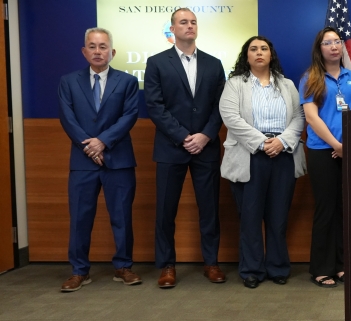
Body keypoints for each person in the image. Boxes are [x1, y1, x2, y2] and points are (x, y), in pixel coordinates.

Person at [145, 8, 227, 288]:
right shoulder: (157, 62)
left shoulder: (214, 64)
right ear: (172, 29)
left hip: (206, 147)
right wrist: (183, 136)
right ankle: (167, 266)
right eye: (183, 22)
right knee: (165, 211)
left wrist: (205, 135)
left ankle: (211, 263)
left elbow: (221, 106)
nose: (189, 26)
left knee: (210, 209)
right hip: (171, 148)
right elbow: (155, 106)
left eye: (193, 22)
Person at [58, 27, 140, 292]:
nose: (97, 51)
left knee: (122, 216)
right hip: (83, 161)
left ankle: (124, 267)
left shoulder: (127, 82)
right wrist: (90, 146)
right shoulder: (68, 82)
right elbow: (67, 118)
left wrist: (102, 141)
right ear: (84, 51)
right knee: (80, 218)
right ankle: (79, 271)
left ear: (112, 52)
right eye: (92, 46)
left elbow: (129, 115)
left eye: (103, 46)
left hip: (119, 160)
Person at [219, 36, 306, 289]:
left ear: (271, 55)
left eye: (264, 49)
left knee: (278, 218)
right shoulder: (235, 84)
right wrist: (262, 142)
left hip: (283, 155)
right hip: (249, 156)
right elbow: (231, 117)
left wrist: (281, 141)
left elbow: (299, 117)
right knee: (250, 218)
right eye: (253, 49)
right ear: (246, 56)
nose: (259, 52)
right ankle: (252, 270)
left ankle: (278, 267)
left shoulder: (287, 84)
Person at [300, 26, 351, 288]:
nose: (334, 46)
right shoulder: (310, 78)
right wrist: (336, 145)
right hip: (322, 151)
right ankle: (321, 268)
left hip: (350, 150)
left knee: (344, 209)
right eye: (327, 43)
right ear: (320, 49)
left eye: (337, 41)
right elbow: (311, 117)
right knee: (326, 208)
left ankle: (340, 265)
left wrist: (348, 145)